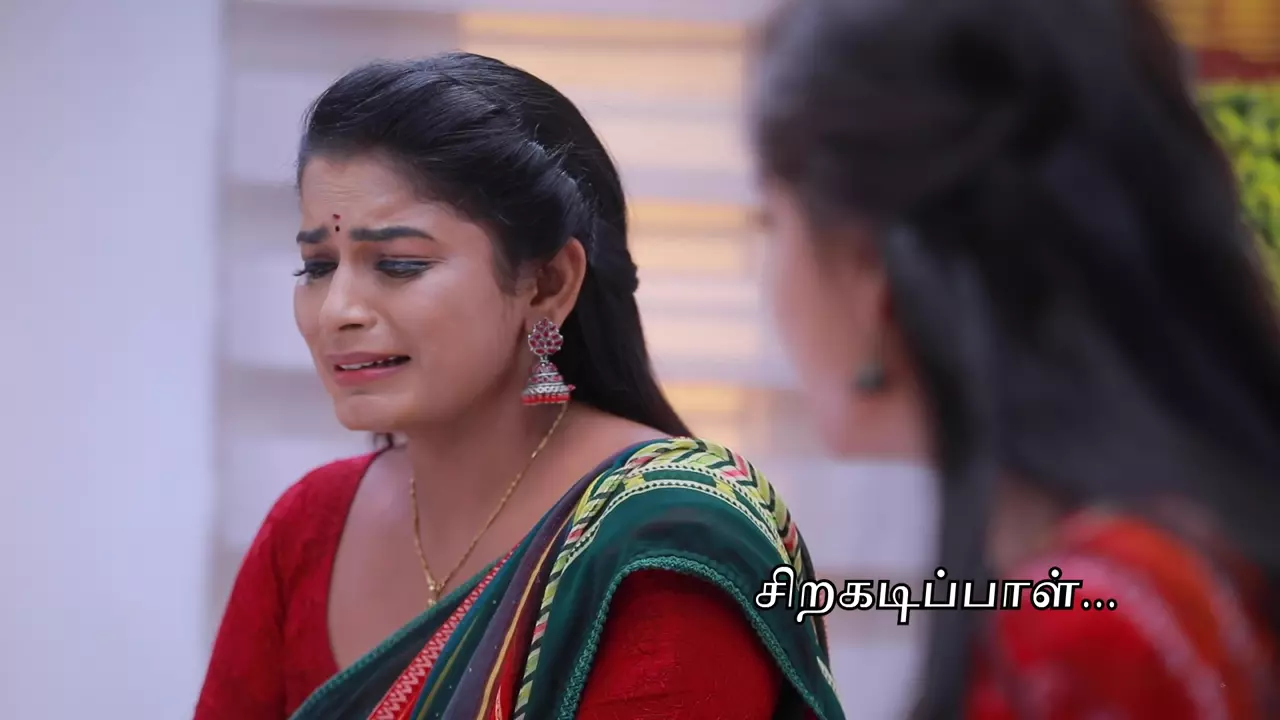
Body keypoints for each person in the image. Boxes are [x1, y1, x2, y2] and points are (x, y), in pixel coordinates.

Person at [194, 52, 842, 720]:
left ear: (547, 283)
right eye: (317, 268)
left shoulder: (666, 545)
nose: (337, 311)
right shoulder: (307, 529)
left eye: (399, 264)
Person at [748, 0, 1280, 717]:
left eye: (772, 222)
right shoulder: (1172, 576)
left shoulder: (1092, 634)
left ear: (870, 266)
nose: (770, 275)